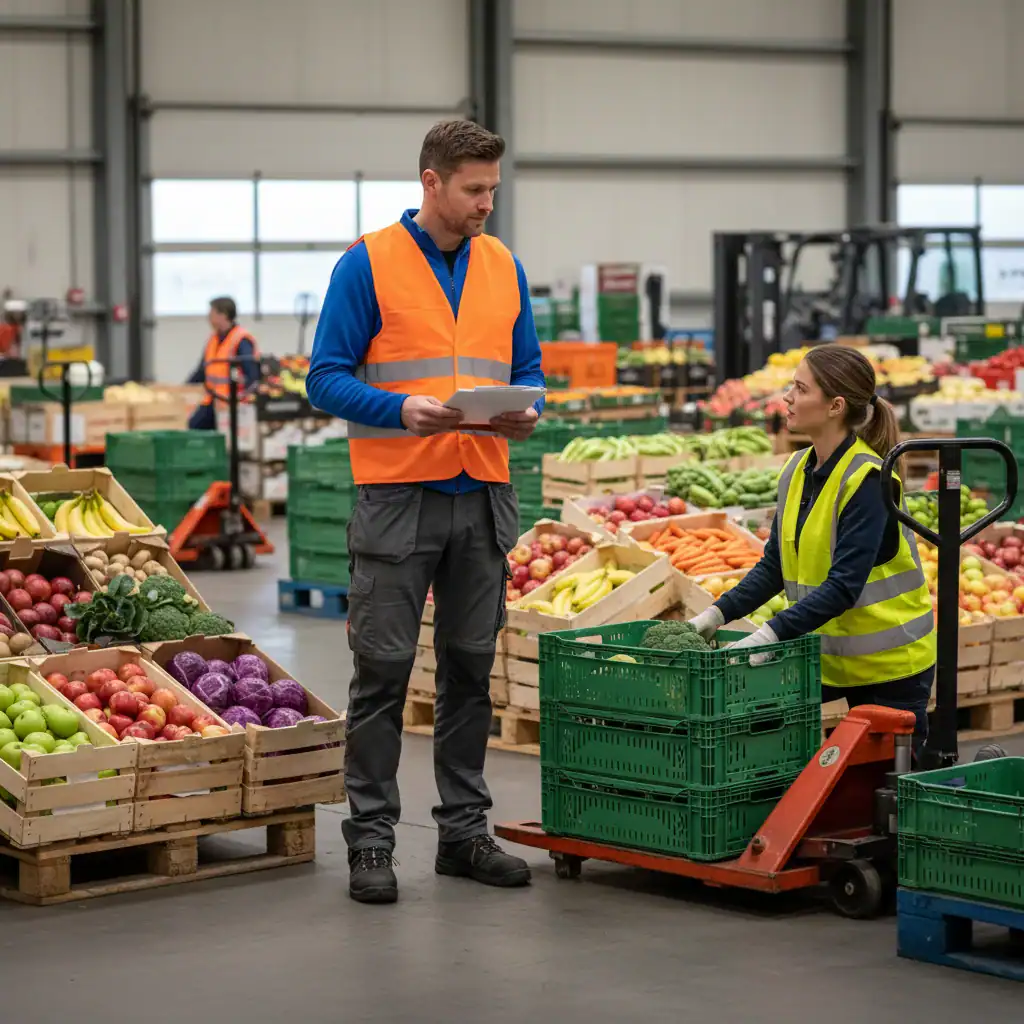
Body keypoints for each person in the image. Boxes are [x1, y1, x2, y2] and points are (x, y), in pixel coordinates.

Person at [306, 119, 546, 905]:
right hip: (397, 497)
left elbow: (529, 370)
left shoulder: (503, 265)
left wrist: (527, 413)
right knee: (381, 674)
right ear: (431, 182)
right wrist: (397, 406)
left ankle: (464, 835)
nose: (486, 204)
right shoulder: (367, 264)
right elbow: (324, 378)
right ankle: (371, 843)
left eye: (493, 191)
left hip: (481, 493)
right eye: (474, 190)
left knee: (472, 671)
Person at [688, 344, 936, 751]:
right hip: (828, 657)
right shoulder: (796, 470)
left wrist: (771, 633)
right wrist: (717, 613)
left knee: (891, 789)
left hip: (891, 664)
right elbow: (774, 567)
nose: (787, 397)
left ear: (835, 405)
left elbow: (844, 586)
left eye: (800, 389)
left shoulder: (868, 480)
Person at [187, 296, 260, 429]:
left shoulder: (241, 340)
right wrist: (184, 388)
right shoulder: (213, 339)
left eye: (212, 313)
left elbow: (252, 376)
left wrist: (241, 401)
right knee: (194, 426)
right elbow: (202, 370)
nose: (208, 317)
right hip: (213, 400)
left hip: (232, 404)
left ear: (223, 315)